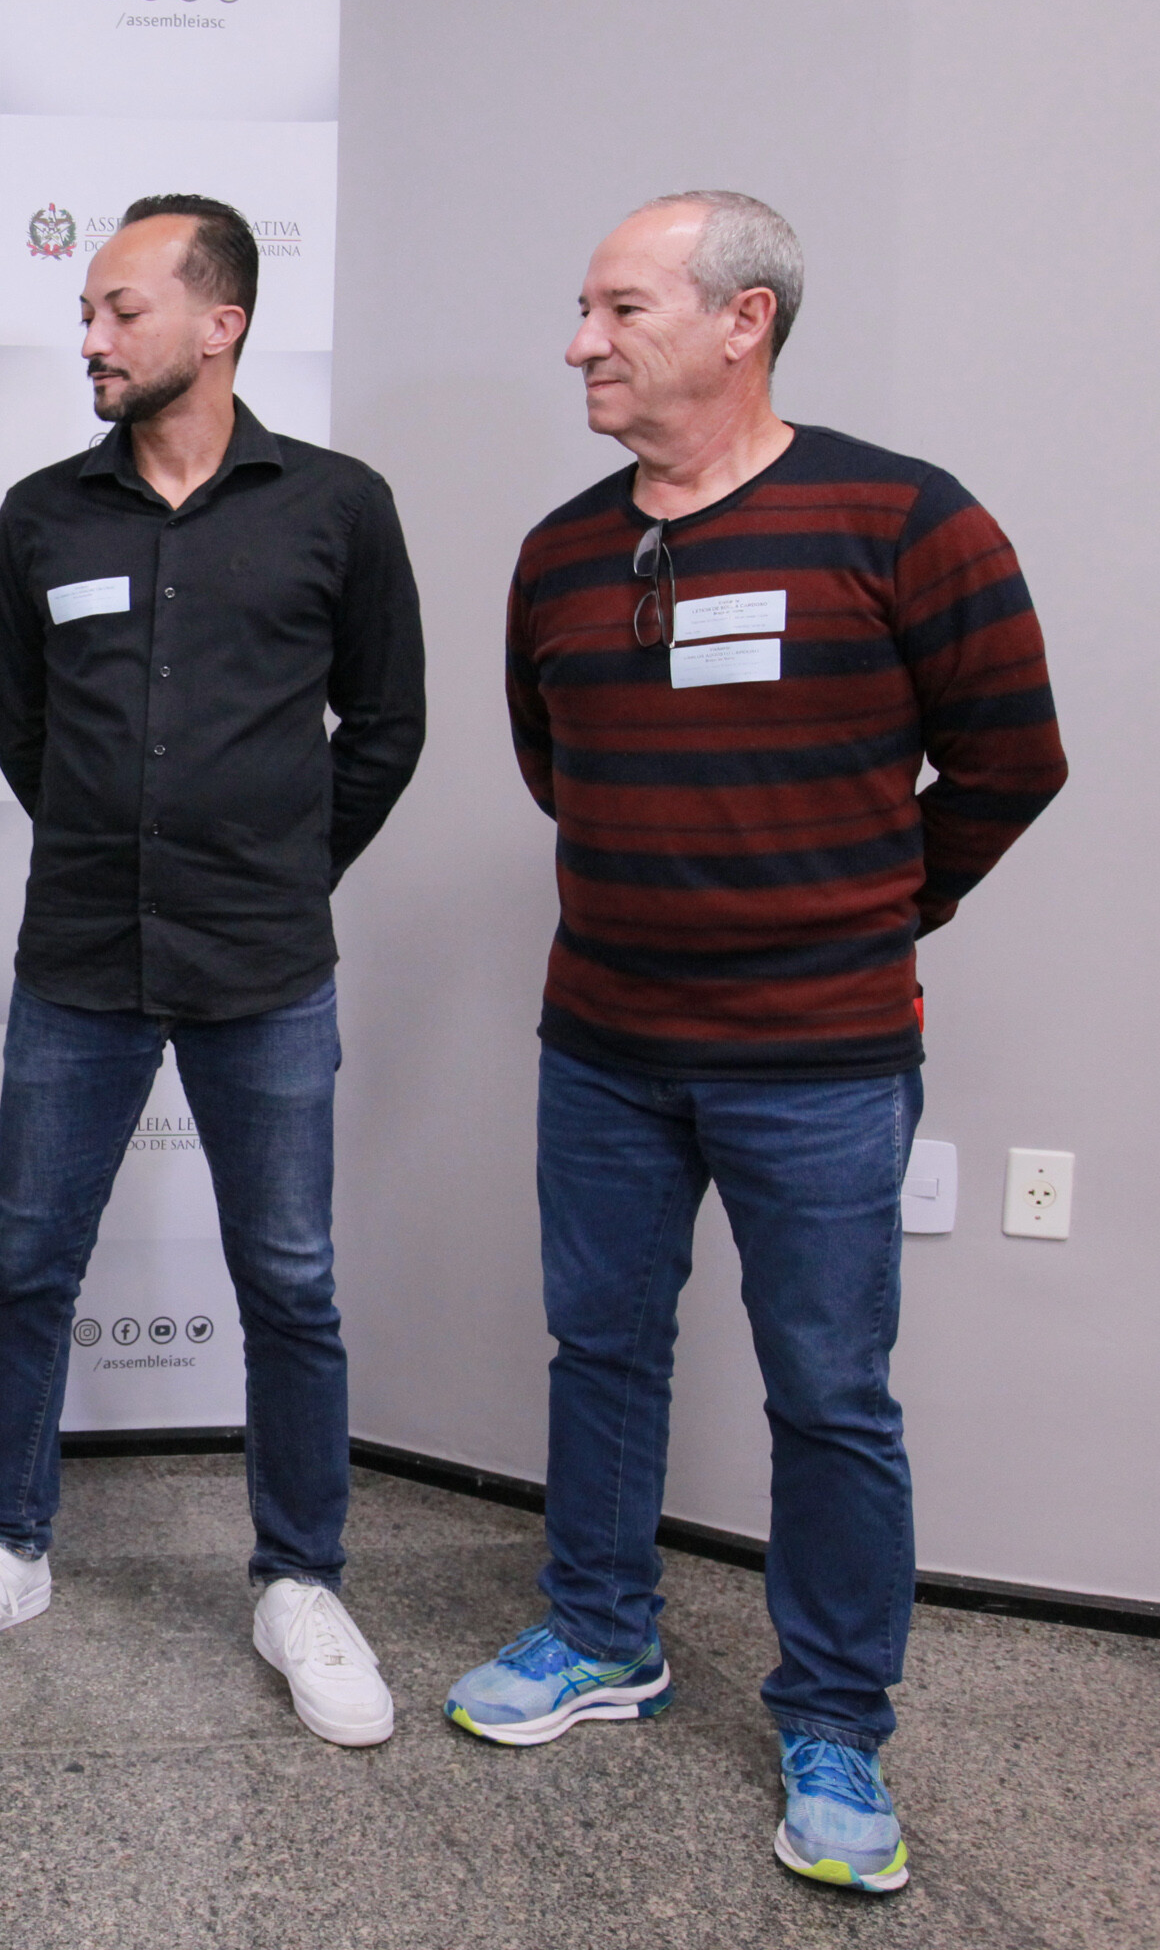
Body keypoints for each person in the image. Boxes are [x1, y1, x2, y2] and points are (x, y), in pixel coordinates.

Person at [445, 192, 1064, 1893]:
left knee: (830, 1394)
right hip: (606, 1048)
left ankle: (839, 1722)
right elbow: (553, 763)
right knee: (605, 1348)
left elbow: (1013, 760)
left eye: (618, 306)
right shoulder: (563, 552)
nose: (580, 340)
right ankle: (599, 1634)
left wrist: (859, 913)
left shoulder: (906, 521)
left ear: (745, 321)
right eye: (582, 307)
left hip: (822, 1061)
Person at [0, 195, 426, 1746]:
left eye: (122, 311)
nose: (92, 339)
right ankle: (8, 1546)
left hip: (269, 965)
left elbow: (386, 727)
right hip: (81, 955)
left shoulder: (338, 505)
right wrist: (133, 851)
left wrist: (278, 863)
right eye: (89, 313)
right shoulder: (42, 515)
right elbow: (29, 736)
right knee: (30, 1265)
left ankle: (302, 1578)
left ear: (220, 322)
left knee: (294, 1281)